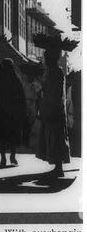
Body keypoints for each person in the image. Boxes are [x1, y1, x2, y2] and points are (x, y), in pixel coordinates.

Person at [37, 48, 70, 177]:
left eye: (45, 58)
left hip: (54, 109)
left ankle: (59, 167)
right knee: (54, 137)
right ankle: (57, 166)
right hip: (54, 108)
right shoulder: (54, 72)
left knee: (56, 138)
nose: (44, 61)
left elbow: (54, 92)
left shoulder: (55, 73)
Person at [0, 58, 27, 167]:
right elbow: (21, 97)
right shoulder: (15, 79)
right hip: (13, 114)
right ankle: (13, 156)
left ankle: (3, 158)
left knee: (2, 135)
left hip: (0, 113)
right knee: (13, 135)